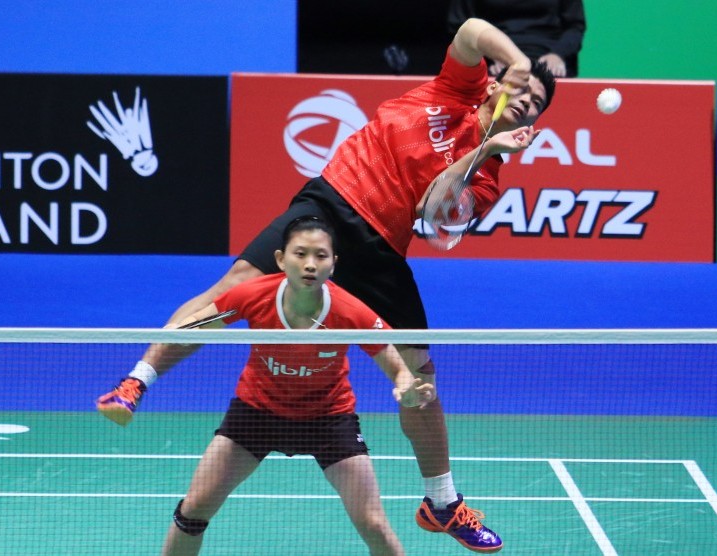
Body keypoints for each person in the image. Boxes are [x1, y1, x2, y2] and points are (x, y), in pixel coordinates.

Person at [99, 17, 556, 553]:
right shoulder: (457, 85)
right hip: (331, 200)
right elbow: (473, 28)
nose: (528, 100)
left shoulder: (488, 177)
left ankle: (442, 503)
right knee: (232, 291)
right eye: (523, 90)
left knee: (421, 376)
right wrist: (522, 61)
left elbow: (434, 212)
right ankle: (137, 380)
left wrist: (485, 149)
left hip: (382, 247)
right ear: (499, 81)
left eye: (538, 104)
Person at [152, 217, 434, 555]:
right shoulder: (253, 294)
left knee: (373, 523)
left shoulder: (349, 310)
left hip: (329, 419)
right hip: (256, 413)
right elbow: (200, 322)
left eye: (320, 255)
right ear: (280, 259)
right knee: (193, 510)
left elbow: (398, 368)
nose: (310, 264)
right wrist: (175, 333)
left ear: (334, 263)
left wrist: (409, 389)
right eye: (300, 254)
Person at [447, 0, 586, 78]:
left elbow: (575, 26)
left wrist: (558, 55)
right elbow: (460, 26)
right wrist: (488, 57)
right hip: (494, 59)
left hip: (547, 57)